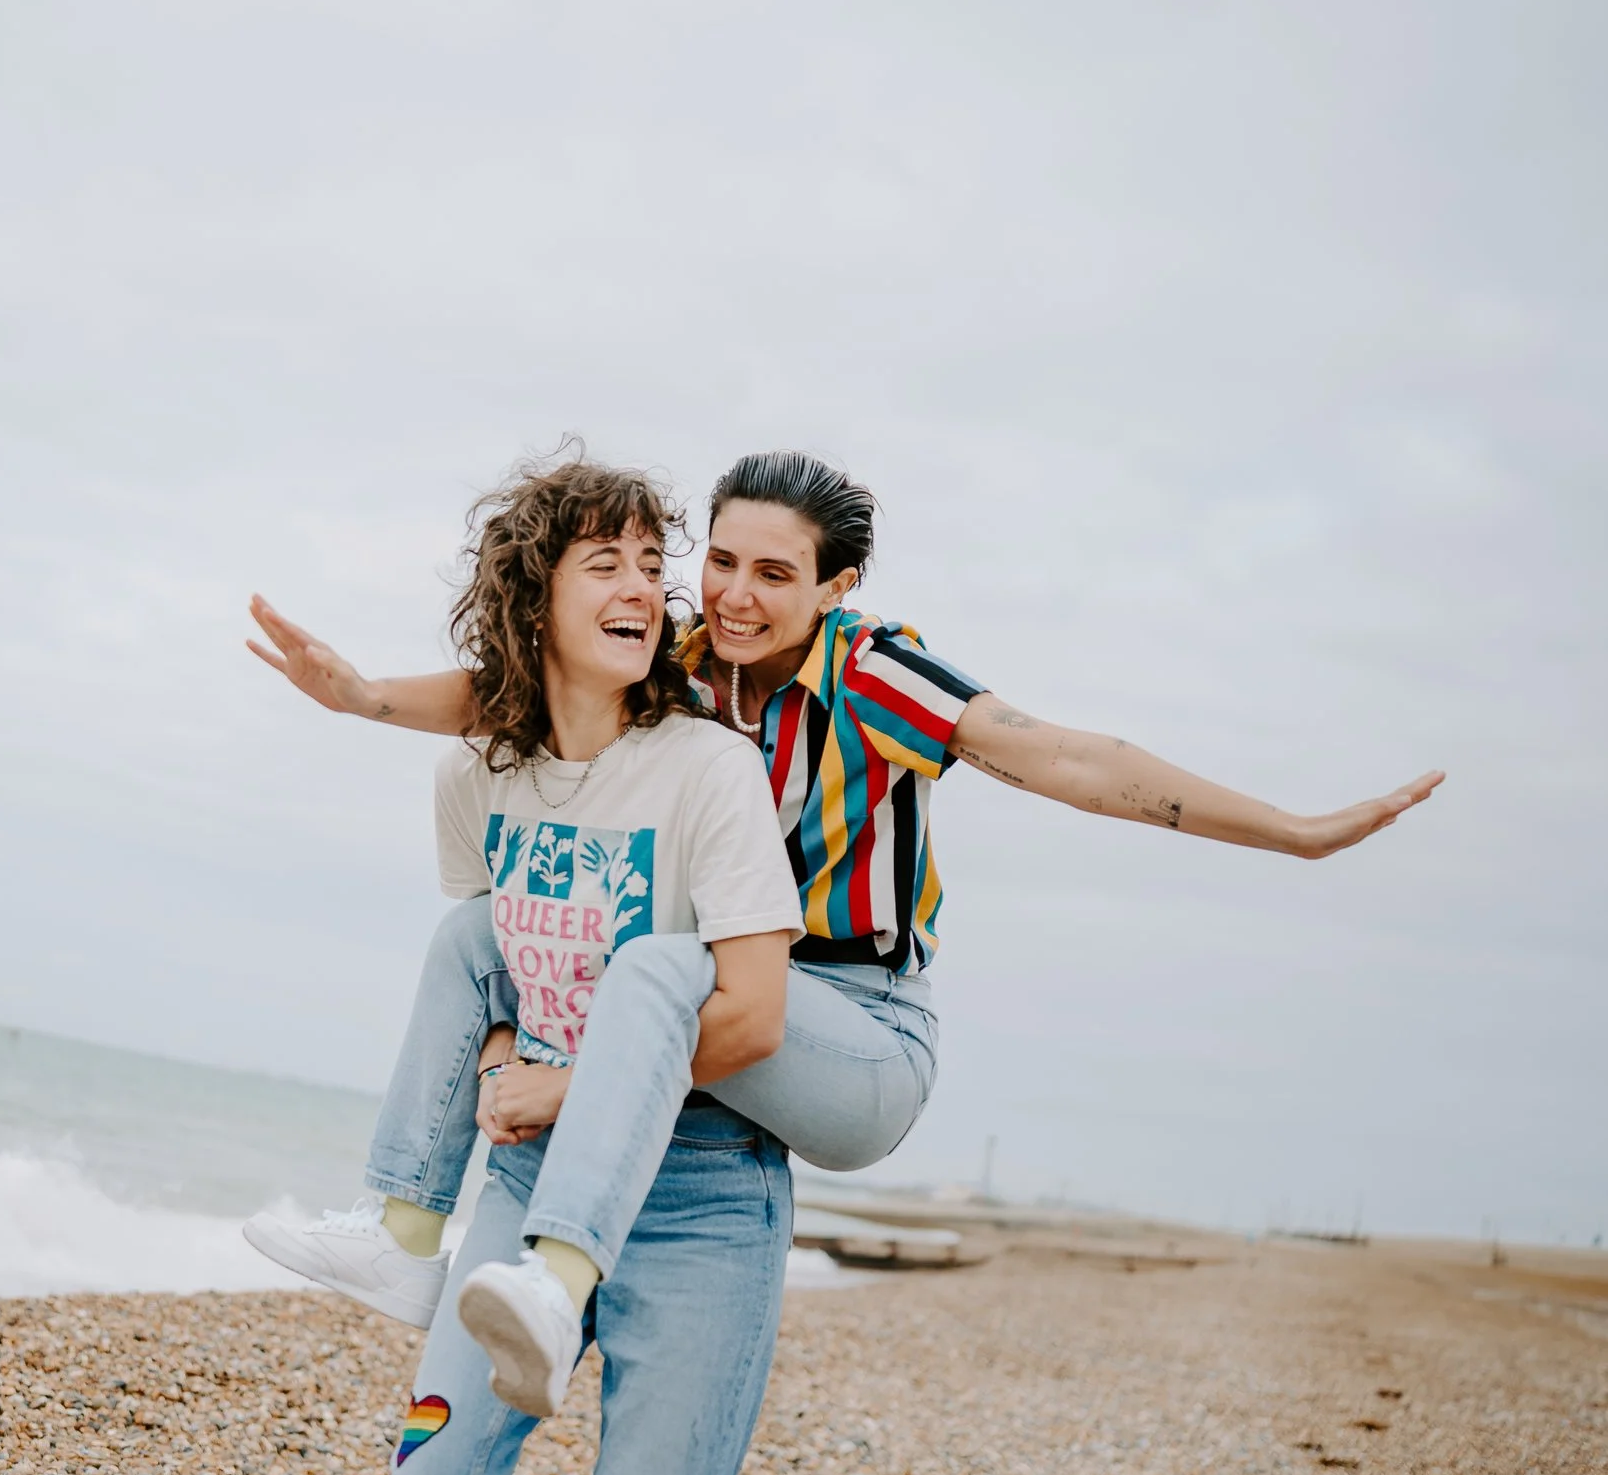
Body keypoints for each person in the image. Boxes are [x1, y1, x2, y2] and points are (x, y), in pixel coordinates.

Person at [245, 450, 1444, 1368]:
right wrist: (357, 695)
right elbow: (513, 686)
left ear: (836, 582)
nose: (732, 594)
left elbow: (1069, 758)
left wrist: (1290, 832)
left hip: (855, 1023)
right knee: (484, 935)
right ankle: (403, 1235)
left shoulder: (867, 669)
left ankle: (555, 1277)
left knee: (657, 973)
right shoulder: (676, 654)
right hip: (716, 985)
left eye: (773, 573)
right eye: (718, 560)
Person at [318, 451, 804, 1475]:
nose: (643, 587)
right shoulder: (475, 772)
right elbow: (500, 965)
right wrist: (499, 1073)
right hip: (537, 1166)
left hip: (703, 1186)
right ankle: (398, 1223)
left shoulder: (709, 769)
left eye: (651, 563)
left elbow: (756, 1016)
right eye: (604, 563)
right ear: (531, 595)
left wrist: (567, 1084)